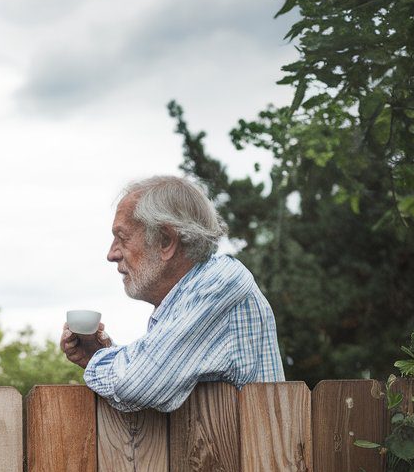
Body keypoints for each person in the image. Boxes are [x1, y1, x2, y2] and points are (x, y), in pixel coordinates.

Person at [61, 175, 283, 412]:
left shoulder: (219, 279)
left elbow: (137, 383)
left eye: (122, 238)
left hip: (253, 449)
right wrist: (100, 353)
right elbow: (148, 374)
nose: (111, 253)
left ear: (166, 241)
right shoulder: (184, 301)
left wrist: (98, 361)